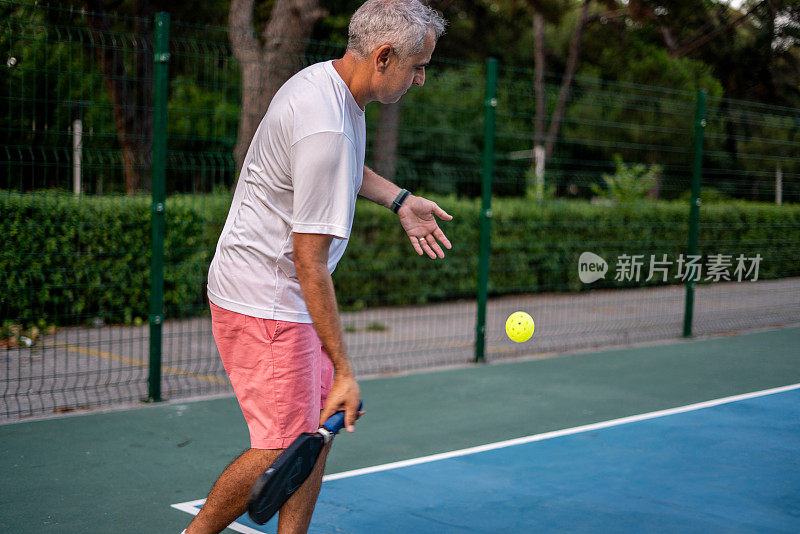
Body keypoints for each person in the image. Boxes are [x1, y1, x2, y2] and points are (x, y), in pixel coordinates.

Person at [184, 1, 449, 533]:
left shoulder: (332, 89)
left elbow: (347, 168)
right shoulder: (325, 124)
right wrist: (345, 368)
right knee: (281, 446)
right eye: (417, 66)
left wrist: (400, 201)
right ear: (384, 56)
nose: (420, 79)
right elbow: (310, 263)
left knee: (316, 431)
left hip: (281, 296)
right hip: (266, 300)